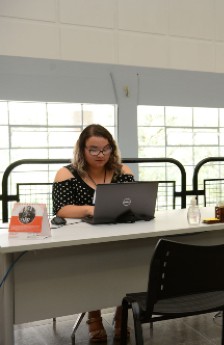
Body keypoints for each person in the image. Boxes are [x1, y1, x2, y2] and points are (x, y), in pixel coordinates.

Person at [52, 124, 134, 342]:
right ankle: (94, 316)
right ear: (82, 150)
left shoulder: (122, 171)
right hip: (83, 240)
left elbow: (133, 202)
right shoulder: (66, 173)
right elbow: (61, 208)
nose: (101, 154)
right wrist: (89, 209)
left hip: (119, 235)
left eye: (106, 149)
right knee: (93, 264)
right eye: (94, 149)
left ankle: (121, 315)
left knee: (128, 262)